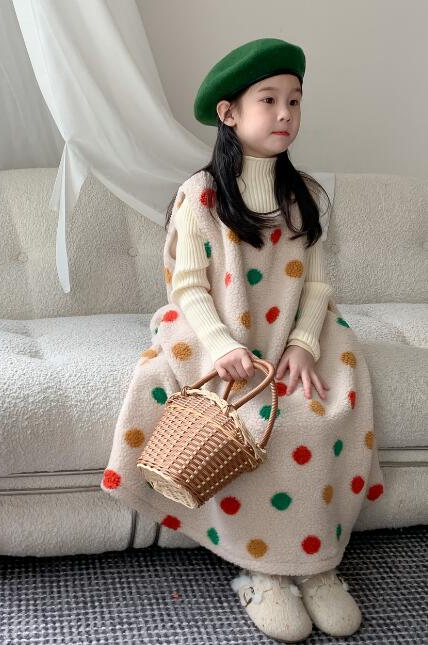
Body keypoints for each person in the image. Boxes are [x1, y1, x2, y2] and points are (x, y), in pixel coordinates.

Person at [102, 38, 385, 643]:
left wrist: (303, 343)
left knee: (321, 409)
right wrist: (222, 346)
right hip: (218, 332)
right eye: (269, 100)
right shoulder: (201, 194)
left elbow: (318, 283)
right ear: (229, 113)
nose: (286, 113)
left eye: (295, 101)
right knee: (252, 422)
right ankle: (266, 571)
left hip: (292, 331)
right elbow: (188, 286)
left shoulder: (304, 194)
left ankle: (317, 563)